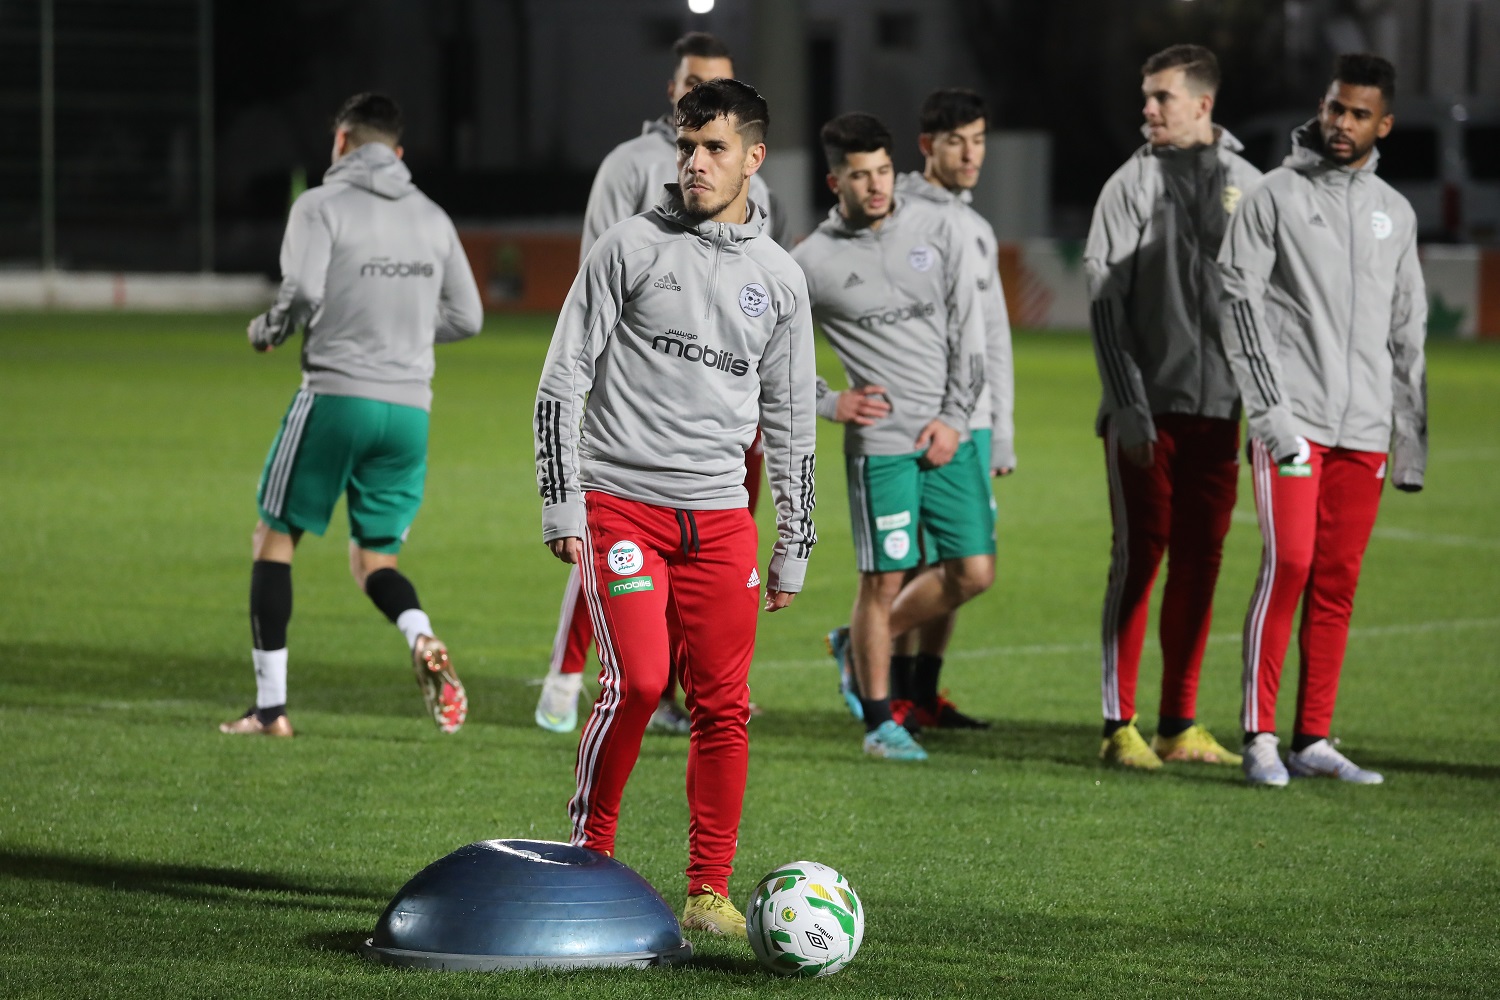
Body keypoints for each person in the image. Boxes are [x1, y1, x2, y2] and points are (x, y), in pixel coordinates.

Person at [534, 79, 816, 934]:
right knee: (640, 681)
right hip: (623, 505)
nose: (695, 163)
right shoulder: (628, 247)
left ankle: (707, 891)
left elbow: (792, 419)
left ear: (752, 159)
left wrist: (794, 540)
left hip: (721, 519)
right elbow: (561, 379)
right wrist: (562, 503)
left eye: (714, 149)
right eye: (687, 147)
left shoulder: (781, 278)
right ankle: (589, 863)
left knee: (724, 706)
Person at [536, 30, 781, 735]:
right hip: (638, 399)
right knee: (613, 539)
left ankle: (682, 691)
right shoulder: (628, 166)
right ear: (672, 87)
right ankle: (568, 675)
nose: (703, 91)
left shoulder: (752, 182)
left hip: (720, 410)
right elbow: (597, 274)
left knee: (699, 556)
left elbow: (761, 298)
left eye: (718, 81)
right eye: (693, 80)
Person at [220, 93, 482, 738]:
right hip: (409, 413)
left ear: (341, 143)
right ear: (398, 152)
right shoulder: (432, 215)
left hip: (337, 398)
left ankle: (271, 710)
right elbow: (469, 317)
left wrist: (269, 330)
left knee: (274, 538)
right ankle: (421, 635)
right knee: (374, 562)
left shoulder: (319, 205)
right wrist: (403, 333)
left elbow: (304, 291)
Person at [1218, 53, 1426, 787]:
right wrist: (1272, 418)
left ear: (1383, 124)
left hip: (1364, 431)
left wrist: (1409, 442)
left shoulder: (1396, 212)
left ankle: (1313, 738)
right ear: (1322, 106)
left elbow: (1409, 331)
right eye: (1336, 108)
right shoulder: (1272, 195)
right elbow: (1238, 308)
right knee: (1291, 566)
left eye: (1359, 114)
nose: (1342, 123)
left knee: (1337, 581)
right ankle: (1260, 737)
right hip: (1294, 422)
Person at [1083, 45, 1261, 770]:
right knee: (1140, 558)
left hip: (1220, 412)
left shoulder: (1250, 185)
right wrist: (1127, 404)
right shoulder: (1128, 185)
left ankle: (1178, 724)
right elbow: (1104, 306)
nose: (1148, 108)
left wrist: (1265, 402)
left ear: (1202, 105)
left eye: (1162, 97)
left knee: (1200, 561)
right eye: (1147, 95)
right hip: (1145, 412)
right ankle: (1117, 724)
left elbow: (1268, 302)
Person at [793, 112, 990, 762]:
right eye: (860, 176)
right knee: (881, 581)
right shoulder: (810, 262)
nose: (877, 185)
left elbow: (970, 335)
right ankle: (881, 724)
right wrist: (830, 402)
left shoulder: (938, 232)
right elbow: (770, 356)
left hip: (948, 436)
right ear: (835, 182)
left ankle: (855, 645)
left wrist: (954, 418)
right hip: (880, 448)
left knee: (973, 572)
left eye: (883, 170)